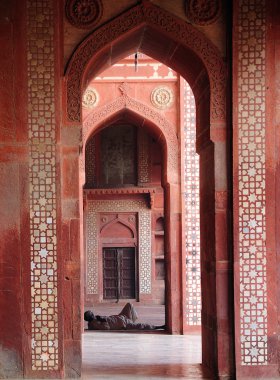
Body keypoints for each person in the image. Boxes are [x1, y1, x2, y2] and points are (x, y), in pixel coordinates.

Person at [84, 302, 165, 331]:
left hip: (122, 317)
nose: (93, 314)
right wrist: (103, 320)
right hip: (124, 324)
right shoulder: (95, 323)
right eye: (92, 314)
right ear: (90, 317)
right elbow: (106, 328)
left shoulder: (95, 320)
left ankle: (133, 319)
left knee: (129, 305)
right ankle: (157, 327)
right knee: (141, 326)